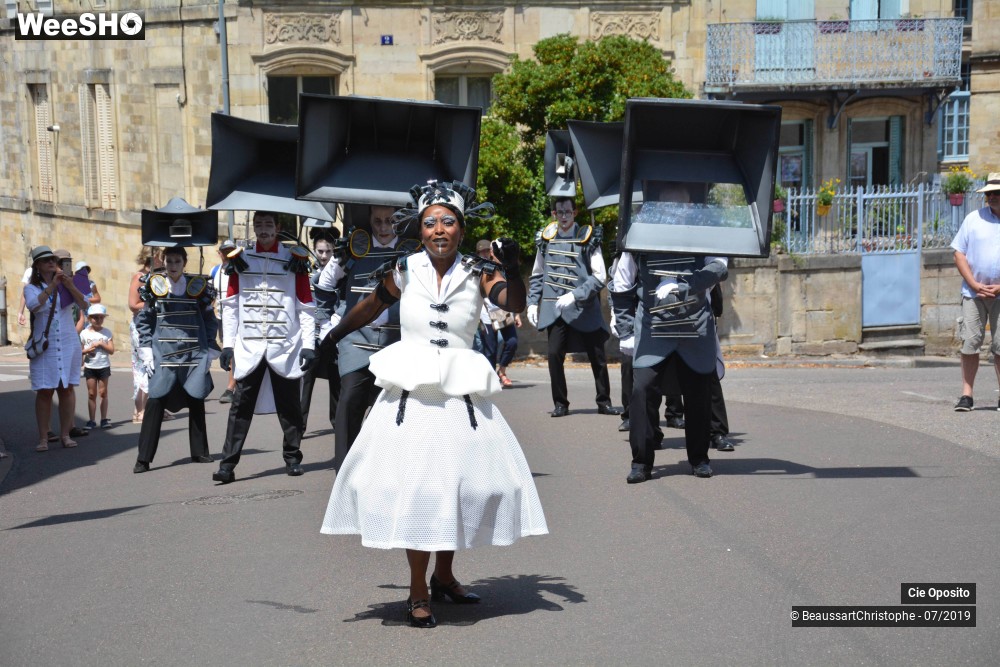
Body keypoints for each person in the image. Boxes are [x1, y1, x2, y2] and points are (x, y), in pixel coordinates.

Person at [320, 181, 547, 629]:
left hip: (461, 398)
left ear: (461, 228)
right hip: (413, 398)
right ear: (420, 229)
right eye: (430, 223)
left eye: (447, 222)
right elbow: (372, 305)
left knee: (456, 488)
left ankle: (443, 577)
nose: (439, 230)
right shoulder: (404, 268)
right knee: (420, 492)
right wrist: (333, 336)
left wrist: (514, 268)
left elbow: (513, 300)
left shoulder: (480, 272)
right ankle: (417, 590)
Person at [610, 182, 728, 483]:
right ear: (657, 204)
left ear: (690, 204)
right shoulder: (638, 233)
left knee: (699, 393)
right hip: (653, 328)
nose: (675, 211)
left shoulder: (704, 231)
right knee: (641, 391)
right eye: (668, 205)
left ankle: (699, 458)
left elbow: (719, 266)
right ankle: (641, 462)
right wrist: (625, 330)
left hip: (694, 327)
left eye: (681, 205)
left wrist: (686, 285)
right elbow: (621, 284)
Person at [213, 211, 316, 484]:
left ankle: (293, 458)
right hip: (250, 346)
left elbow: (306, 306)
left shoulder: (295, 260)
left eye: (268, 224)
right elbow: (231, 306)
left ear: (278, 227)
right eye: (258, 224)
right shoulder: (241, 259)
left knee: (290, 406)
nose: (263, 229)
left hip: (285, 346)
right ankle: (227, 465)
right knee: (239, 408)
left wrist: (308, 345)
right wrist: (228, 345)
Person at [315, 205, 403, 469]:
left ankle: (381, 470)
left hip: (395, 345)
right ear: (370, 220)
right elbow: (323, 286)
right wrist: (326, 325)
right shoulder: (352, 250)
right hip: (355, 343)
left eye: (389, 221)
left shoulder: (412, 252)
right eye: (378, 221)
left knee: (388, 412)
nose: (383, 227)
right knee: (349, 405)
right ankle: (344, 471)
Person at [526, 197, 621, 417]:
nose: (564, 216)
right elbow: (538, 274)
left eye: (568, 212)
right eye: (559, 212)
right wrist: (532, 303)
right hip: (555, 308)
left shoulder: (588, 237)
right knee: (554, 355)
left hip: (583, 307)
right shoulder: (545, 239)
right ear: (554, 214)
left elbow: (600, 277)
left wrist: (575, 295)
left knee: (597, 356)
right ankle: (560, 403)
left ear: (575, 212)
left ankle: (604, 401)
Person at [133, 246, 218, 473]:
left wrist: (210, 346)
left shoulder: (197, 287)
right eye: (169, 261)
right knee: (156, 401)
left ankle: (200, 452)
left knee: (196, 397)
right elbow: (144, 319)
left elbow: (209, 318)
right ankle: (143, 458)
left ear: (184, 263)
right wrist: (146, 348)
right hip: (163, 352)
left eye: (177, 261)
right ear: (163, 262)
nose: (172, 266)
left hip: (193, 352)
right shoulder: (154, 286)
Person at [24, 246, 90, 451]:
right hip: (47, 344)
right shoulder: (31, 287)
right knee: (45, 391)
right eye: (46, 260)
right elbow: (34, 305)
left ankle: (65, 434)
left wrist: (69, 285)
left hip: (68, 341)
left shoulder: (67, 282)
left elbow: (85, 304)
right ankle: (43, 438)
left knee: (67, 389)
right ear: (37, 265)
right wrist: (53, 285)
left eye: (53, 259)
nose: (52, 263)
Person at [951, 172, 1000, 412]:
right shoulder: (973, 219)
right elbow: (959, 253)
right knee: (970, 343)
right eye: (989, 193)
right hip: (973, 293)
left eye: (996, 192)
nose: (992, 196)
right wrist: (973, 284)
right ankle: (966, 395)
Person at [300, 231, 341, 433]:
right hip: (311, 337)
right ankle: (299, 427)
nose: (324, 256)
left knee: (337, 382)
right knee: (305, 382)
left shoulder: (340, 274)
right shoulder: (304, 271)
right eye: (320, 251)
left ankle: (338, 423)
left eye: (328, 251)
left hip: (333, 336)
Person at [476, 239, 521, 387]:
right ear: (478, 253)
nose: (485, 253)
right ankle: (491, 378)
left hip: (503, 312)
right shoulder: (476, 269)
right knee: (491, 350)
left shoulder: (500, 266)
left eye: (487, 250)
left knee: (512, 342)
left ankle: (502, 371)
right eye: (481, 251)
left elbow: (511, 291)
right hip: (486, 314)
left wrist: (516, 314)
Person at [128, 247, 164, 423]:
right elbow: (133, 304)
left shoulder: (159, 275)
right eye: (160, 256)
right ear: (152, 257)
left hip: (155, 324)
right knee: (142, 366)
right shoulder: (139, 277)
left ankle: (152, 407)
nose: (162, 259)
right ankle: (139, 409)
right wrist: (154, 303)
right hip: (141, 326)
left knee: (155, 365)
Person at [210, 239, 238, 403]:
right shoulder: (215, 271)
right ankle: (234, 385)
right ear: (219, 253)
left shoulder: (240, 270)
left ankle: (230, 387)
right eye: (225, 251)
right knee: (229, 351)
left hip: (238, 318)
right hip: (222, 318)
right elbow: (211, 295)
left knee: (234, 351)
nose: (228, 254)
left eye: (231, 251)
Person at [80, 304, 115, 429]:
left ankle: (104, 419)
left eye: (101, 317)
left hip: (103, 365)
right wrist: (86, 352)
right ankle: (91, 420)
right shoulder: (84, 333)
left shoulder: (107, 332)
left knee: (103, 392)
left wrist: (101, 344)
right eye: (95, 317)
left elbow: (111, 350)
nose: (98, 320)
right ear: (89, 318)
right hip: (90, 366)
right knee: (91, 393)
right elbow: (80, 350)